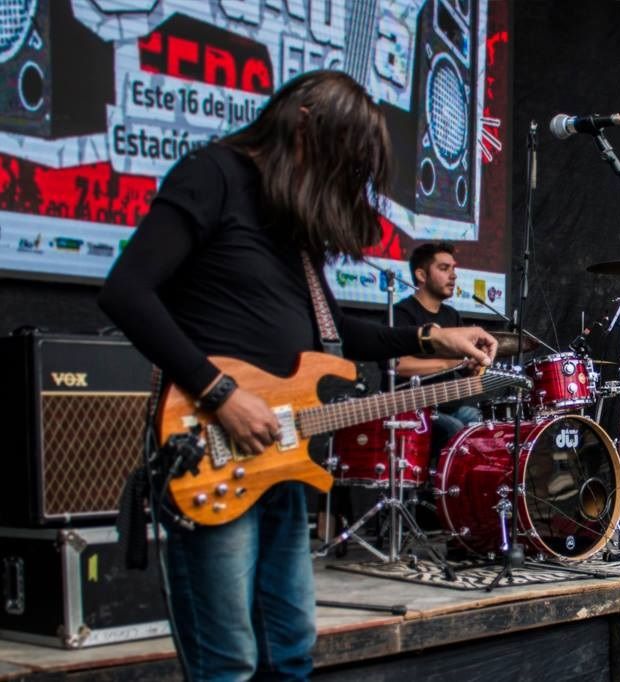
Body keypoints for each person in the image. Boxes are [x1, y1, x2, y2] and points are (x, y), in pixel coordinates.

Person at [98, 70, 496, 680]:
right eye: (340, 162)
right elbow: (127, 292)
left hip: (281, 457)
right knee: (228, 658)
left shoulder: (292, 228)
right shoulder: (214, 175)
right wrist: (220, 393)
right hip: (213, 446)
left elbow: (336, 334)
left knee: (291, 649)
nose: (340, 185)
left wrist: (431, 335)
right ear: (305, 125)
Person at [393, 242, 483, 445]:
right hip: (410, 408)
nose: (453, 275)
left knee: (480, 424)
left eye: (454, 269)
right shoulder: (402, 313)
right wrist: (448, 364)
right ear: (421, 275)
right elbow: (397, 365)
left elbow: (462, 366)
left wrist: (472, 367)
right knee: (455, 430)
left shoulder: (452, 316)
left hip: (449, 405)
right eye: (444, 268)